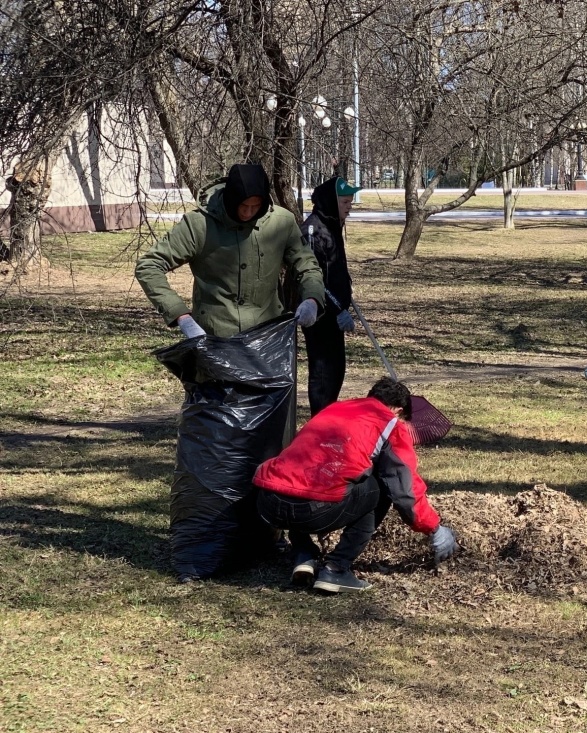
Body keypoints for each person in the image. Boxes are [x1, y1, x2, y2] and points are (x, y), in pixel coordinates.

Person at [253, 377, 459, 593]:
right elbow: (403, 486)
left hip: (269, 503)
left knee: (301, 478)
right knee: (381, 486)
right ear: (397, 411)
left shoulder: (336, 409)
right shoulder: (389, 422)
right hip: (313, 511)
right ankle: (336, 569)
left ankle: (303, 554)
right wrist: (434, 528)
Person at [136, 162, 326, 338]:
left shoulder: (281, 222)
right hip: (215, 337)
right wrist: (180, 315)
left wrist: (312, 299)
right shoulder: (199, 224)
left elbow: (307, 265)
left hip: (268, 335)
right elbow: (149, 266)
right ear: (231, 199)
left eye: (255, 206)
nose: (248, 212)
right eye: (243, 205)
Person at [302, 176, 362, 414]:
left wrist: (346, 296)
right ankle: (319, 422)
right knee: (323, 372)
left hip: (335, 313)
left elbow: (335, 269)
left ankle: (326, 417)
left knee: (336, 369)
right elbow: (312, 277)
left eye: (351, 202)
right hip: (319, 315)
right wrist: (338, 309)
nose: (350, 208)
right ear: (331, 200)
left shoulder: (332, 226)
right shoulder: (312, 230)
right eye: (345, 202)